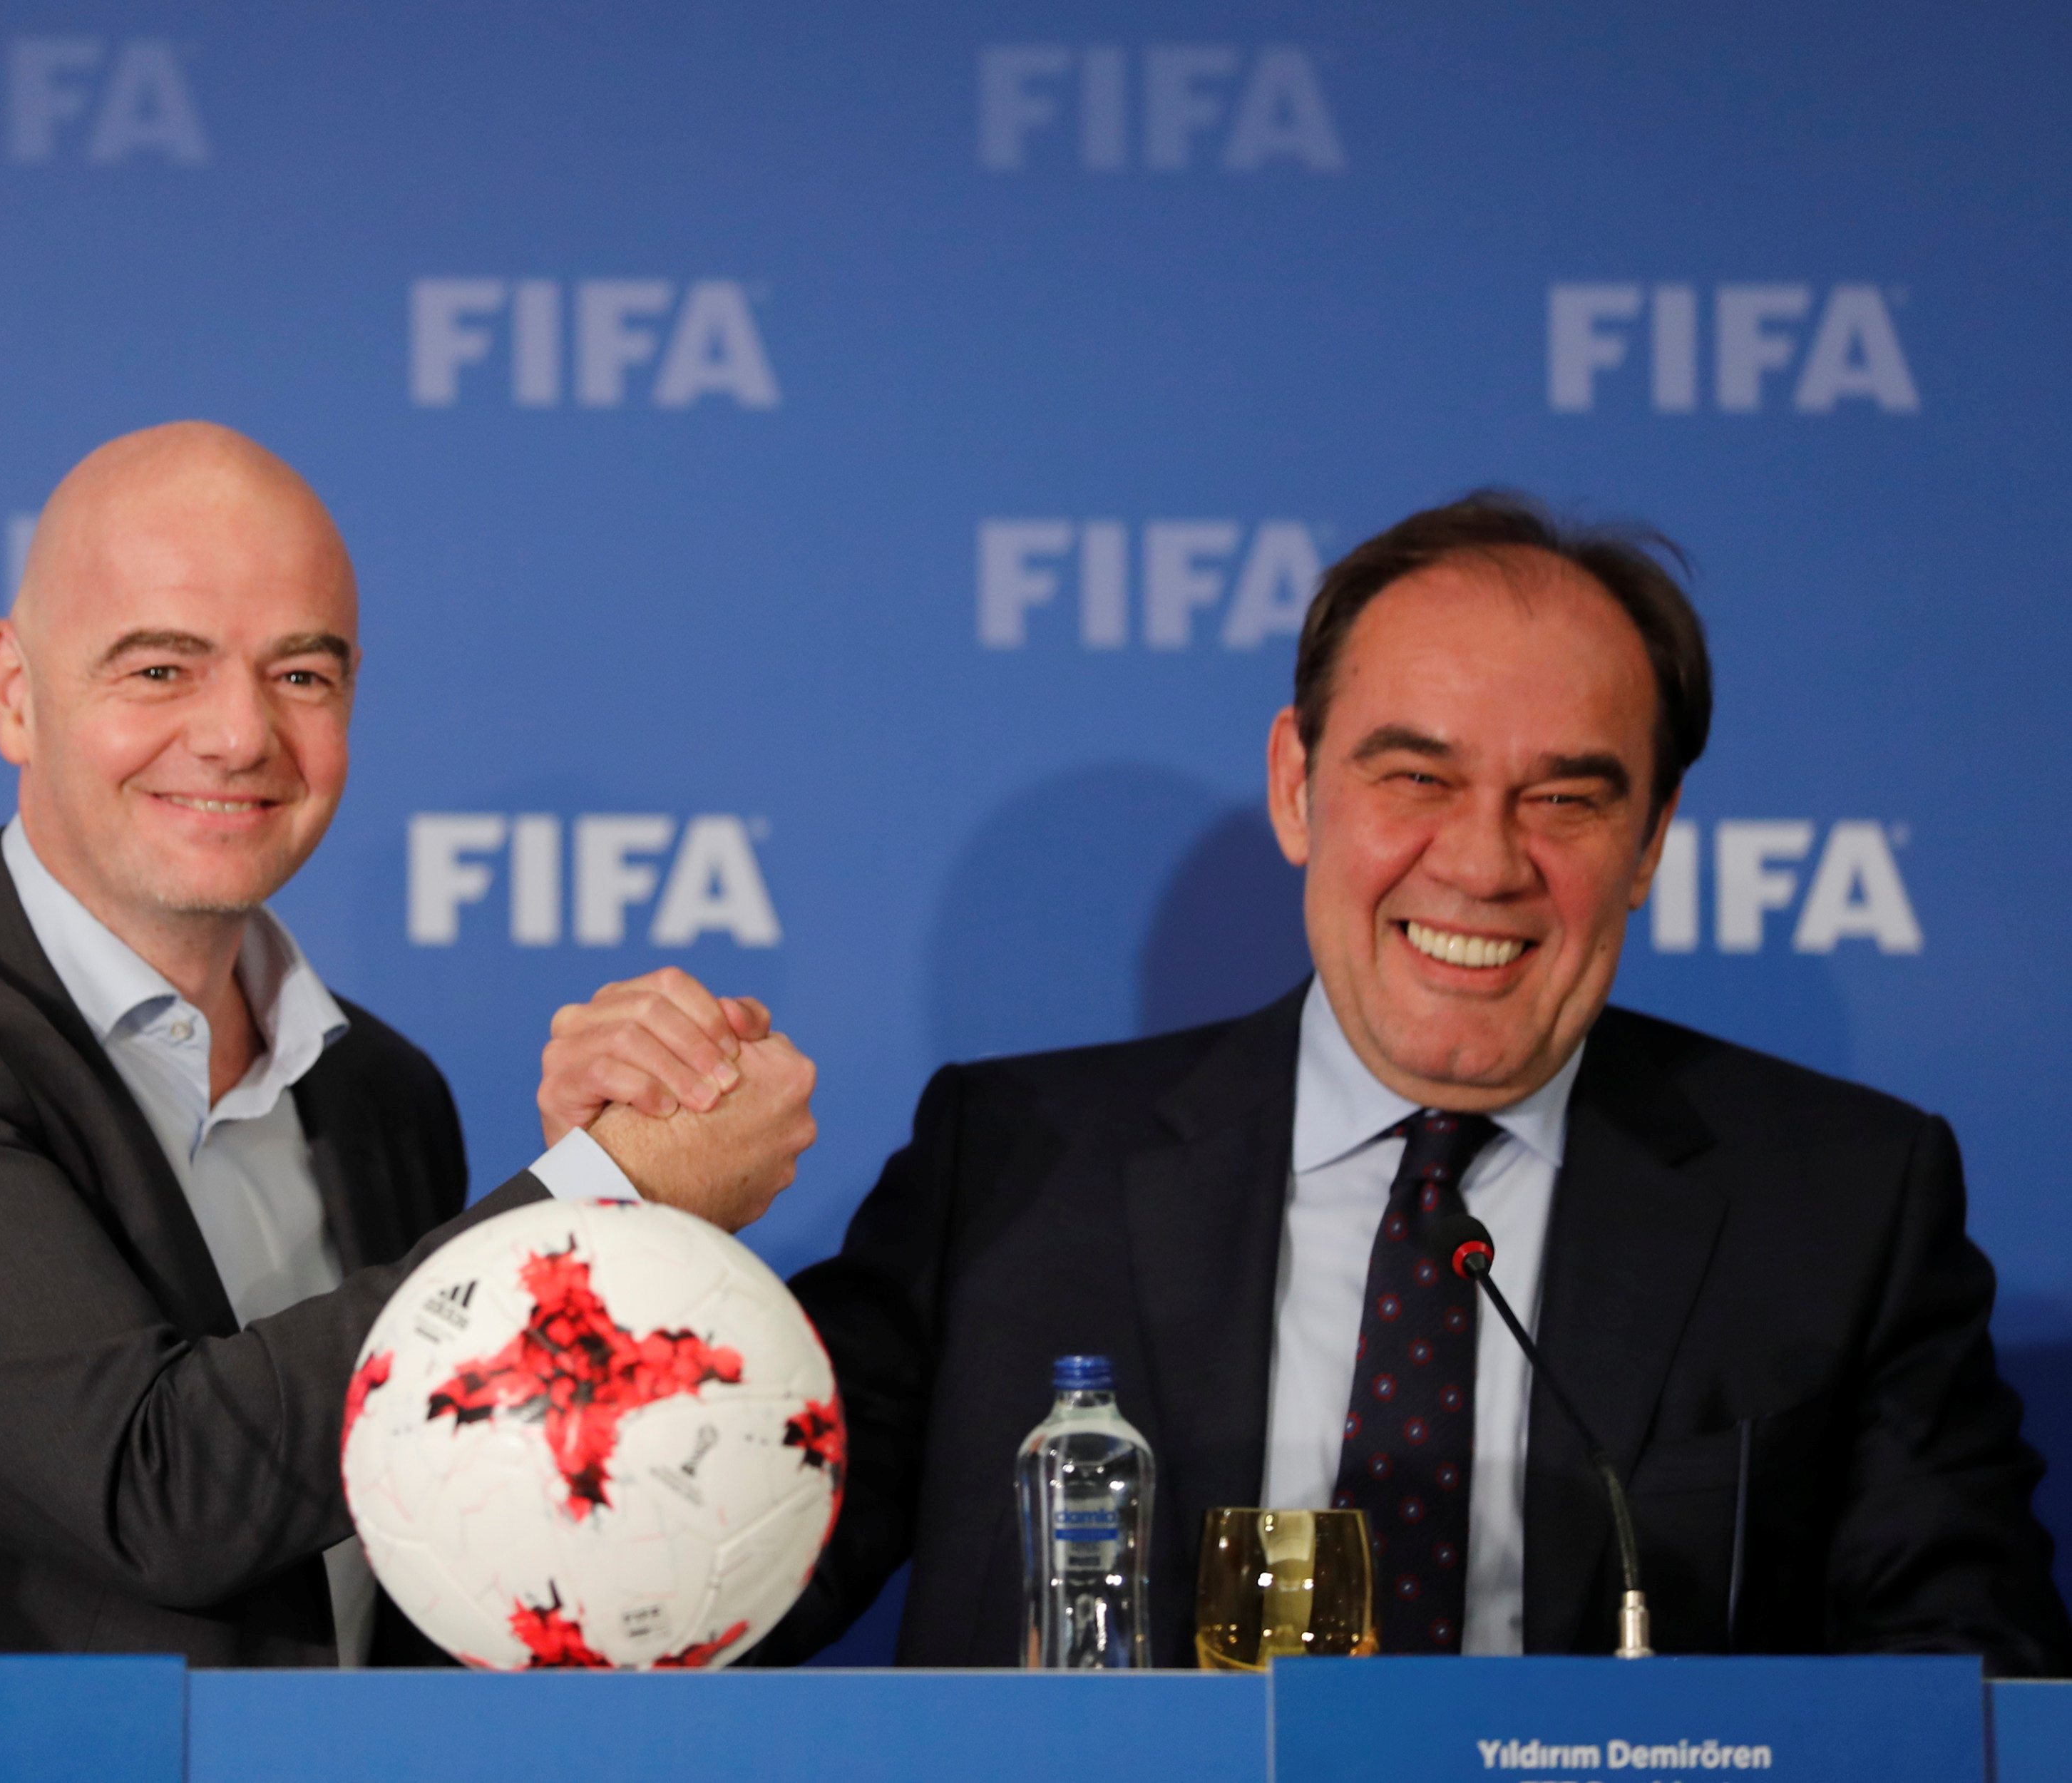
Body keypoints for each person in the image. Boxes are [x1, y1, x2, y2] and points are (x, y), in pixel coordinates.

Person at [707, 492, 2070, 1672]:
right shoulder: (1006, 1168)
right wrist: (601, 1209)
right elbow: (688, 1591)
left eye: (1567, 801)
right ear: (1297, 788)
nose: (1482, 864)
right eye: (1417, 774)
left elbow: (1971, 1689)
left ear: (1651, 842)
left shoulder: (1835, 1206)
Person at [0, 422, 815, 1663]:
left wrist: (593, 1238)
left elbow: (448, 1538)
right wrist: (601, 1196)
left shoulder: (381, 1090)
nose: (239, 736)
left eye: (302, 676)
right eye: (161, 669)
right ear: (14, 693)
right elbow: (157, 1491)